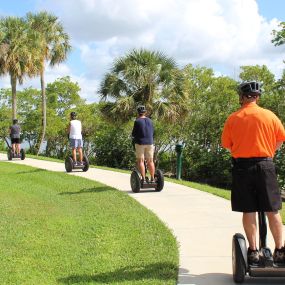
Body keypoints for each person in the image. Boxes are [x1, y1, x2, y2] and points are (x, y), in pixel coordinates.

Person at [221, 81, 285, 265]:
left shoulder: (234, 118)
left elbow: (227, 145)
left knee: (249, 209)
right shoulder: (270, 116)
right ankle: (280, 250)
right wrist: (268, 153)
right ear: (258, 97)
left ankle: (253, 251)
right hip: (266, 165)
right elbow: (281, 139)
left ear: (242, 97)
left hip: (243, 167)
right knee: (272, 210)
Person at [132, 105, 155, 183]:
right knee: (150, 161)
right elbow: (152, 132)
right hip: (150, 143)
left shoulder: (137, 121)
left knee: (141, 161)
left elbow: (133, 134)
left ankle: (144, 179)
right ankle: (152, 178)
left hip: (140, 143)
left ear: (138, 113)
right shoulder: (150, 121)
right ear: (145, 112)